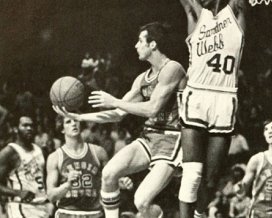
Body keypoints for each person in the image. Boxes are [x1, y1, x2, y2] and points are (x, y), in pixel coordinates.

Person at [53, 21, 187, 218]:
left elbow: (152, 108)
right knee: (108, 173)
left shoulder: (172, 68)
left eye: (140, 40)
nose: (136, 45)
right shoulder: (143, 78)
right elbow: (117, 113)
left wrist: (114, 100)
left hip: (173, 139)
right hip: (150, 138)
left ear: (153, 44)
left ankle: (157, 214)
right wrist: (78, 116)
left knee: (141, 202)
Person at [178, 0, 246, 217]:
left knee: (211, 178)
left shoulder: (236, 13)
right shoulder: (196, 15)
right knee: (192, 174)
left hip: (224, 97)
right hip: (197, 94)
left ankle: (200, 215)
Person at [234, 119, 272, 218]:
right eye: (266, 129)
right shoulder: (257, 159)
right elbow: (242, 191)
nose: (269, 131)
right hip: (259, 213)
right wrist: (239, 187)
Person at [0, 114, 50, 218]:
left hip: (42, 206)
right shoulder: (9, 152)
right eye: (25, 125)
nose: (29, 128)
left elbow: (46, 180)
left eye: (31, 126)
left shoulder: (40, 150)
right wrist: (18, 193)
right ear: (15, 129)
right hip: (20, 207)